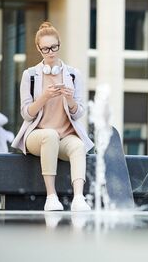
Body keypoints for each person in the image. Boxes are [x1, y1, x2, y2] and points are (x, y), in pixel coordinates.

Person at [12, 21, 93, 211]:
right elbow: (26, 113)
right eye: (46, 49)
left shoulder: (73, 74)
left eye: (54, 47)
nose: (51, 52)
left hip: (65, 136)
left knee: (78, 145)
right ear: (39, 49)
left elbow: (79, 112)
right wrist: (44, 97)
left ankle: (79, 198)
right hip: (37, 136)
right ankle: (51, 196)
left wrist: (70, 99)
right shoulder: (30, 75)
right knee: (50, 135)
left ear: (59, 45)